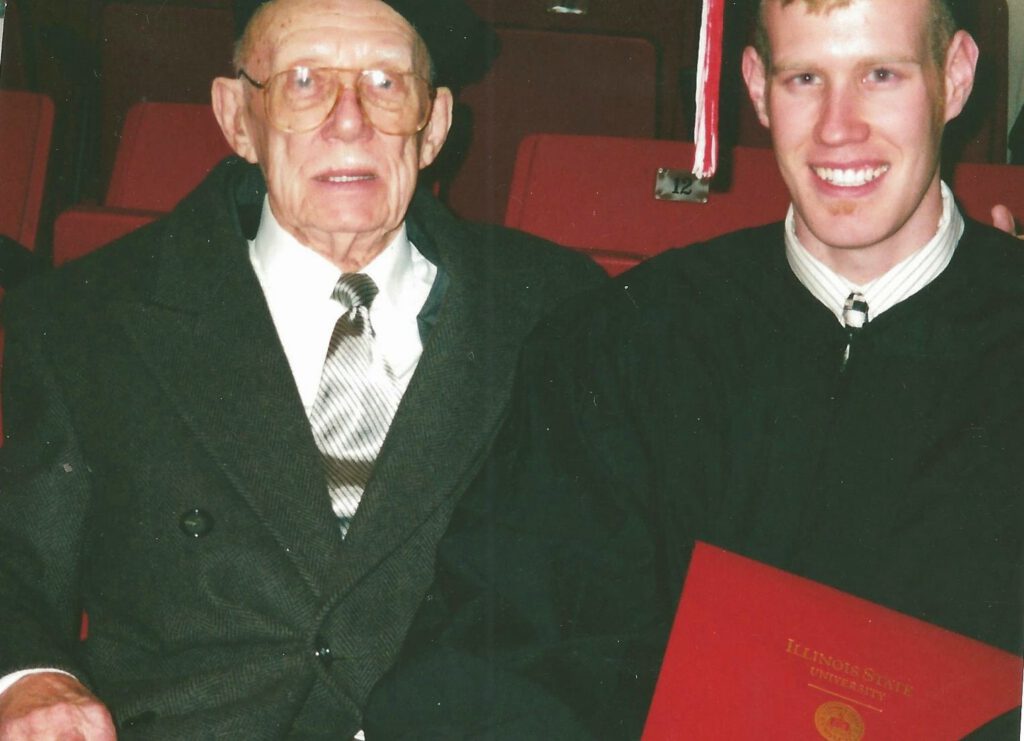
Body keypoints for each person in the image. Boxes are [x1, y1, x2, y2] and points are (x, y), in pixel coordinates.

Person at [364, 0, 1024, 737]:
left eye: (880, 74)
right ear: (755, 84)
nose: (840, 127)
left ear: (956, 76)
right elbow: (499, 635)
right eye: (805, 77)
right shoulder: (625, 337)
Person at [0, 0, 604, 737]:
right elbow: (14, 561)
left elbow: (615, 590)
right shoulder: (85, 318)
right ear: (236, 118)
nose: (348, 120)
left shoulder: (561, 313)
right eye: (304, 81)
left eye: (386, 83)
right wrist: (27, 677)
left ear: (435, 123)